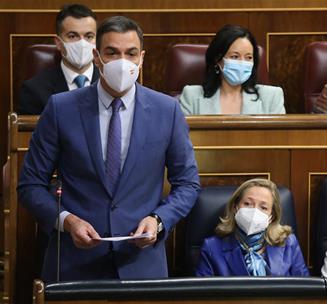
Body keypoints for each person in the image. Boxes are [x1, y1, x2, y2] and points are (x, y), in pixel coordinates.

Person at [17, 15, 200, 282]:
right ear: (97, 56)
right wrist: (67, 221)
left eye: (131, 53)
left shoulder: (167, 111)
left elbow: (188, 184)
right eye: (112, 53)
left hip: (141, 266)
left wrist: (159, 220)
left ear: (142, 58)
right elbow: (30, 185)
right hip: (73, 263)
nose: (122, 61)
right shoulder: (61, 108)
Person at [196, 179, 309, 276]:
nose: (254, 211)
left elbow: (305, 291)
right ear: (235, 207)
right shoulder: (211, 248)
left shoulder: (289, 244)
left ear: (272, 216)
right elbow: (201, 295)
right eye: (247, 204)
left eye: (263, 207)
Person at [179, 25, 286, 115]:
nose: (242, 63)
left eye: (248, 57)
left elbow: (279, 139)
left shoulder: (272, 97)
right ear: (218, 59)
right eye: (235, 57)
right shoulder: (191, 96)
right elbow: (184, 138)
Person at [17, 4, 99, 115]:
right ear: (58, 43)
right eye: (72, 36)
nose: (82, 43)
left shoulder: (111, 83)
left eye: (89, 36)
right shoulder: (34, 90)